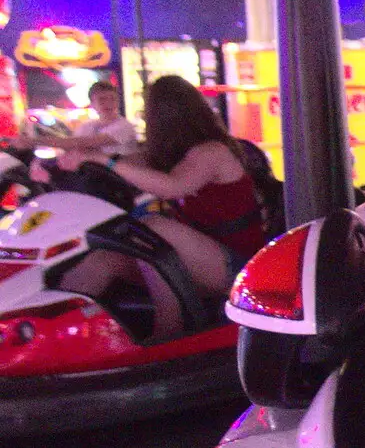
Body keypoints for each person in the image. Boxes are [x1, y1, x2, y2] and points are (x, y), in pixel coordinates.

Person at [52, 75, 267, 340]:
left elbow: (172, 186)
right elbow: (128, 163)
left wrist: (105, 162)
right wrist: (67, 167)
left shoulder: (213, 152)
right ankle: (59, 335)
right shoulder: (172, 153)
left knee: (154, 228)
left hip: (240, 269)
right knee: (103, 259)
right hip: (196, 262)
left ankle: (170, 328)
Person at [72, 80, 140, 154]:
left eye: (112, 99)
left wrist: (58, 142)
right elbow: (74, 147)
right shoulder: (85, 127)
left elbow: (90, 142)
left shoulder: (125, 126)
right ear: (92, 104)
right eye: (102, 99)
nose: (108, 103)